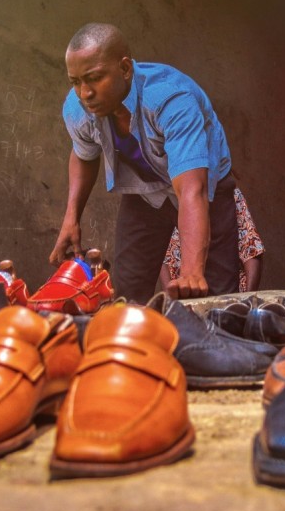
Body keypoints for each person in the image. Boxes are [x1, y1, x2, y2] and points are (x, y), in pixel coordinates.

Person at [50, 23, 240, 302]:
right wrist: (71, 218)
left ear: (125, 69)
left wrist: (191, 272)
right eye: (76, 81)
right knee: (129, 292)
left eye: (94, 78)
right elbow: (84, 154)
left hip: (204, 190)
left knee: (218, 298)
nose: (84, 93)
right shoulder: (77, 108)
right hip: (146, 192)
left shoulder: (171, 100)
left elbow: (191, 190)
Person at [160, 186, 265, 292]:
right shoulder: (163, 198)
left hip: (227, 292)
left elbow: (251, 249)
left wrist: (248, 298)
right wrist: (169, 301)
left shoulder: (226, 193)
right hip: (184, 295)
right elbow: (161, 256)